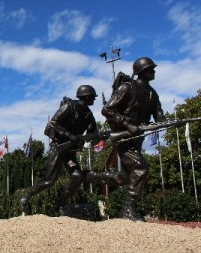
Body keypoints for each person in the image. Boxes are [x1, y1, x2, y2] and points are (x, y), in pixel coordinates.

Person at [101, 57, 165, 221]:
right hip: (124, 137)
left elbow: (159, 114)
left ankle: (94, 176)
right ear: (142, 72)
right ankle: (127, 210)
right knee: (140, 169)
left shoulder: (152, 93)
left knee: (123, 177)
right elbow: (107, 110)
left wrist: (163, 122)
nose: (154, 72)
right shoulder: (127, 87)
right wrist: (127, 124)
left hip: (137, 138)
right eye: (151, 69)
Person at [19, 85, 99, 216]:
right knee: (49, 180)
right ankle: (25, 196)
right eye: (92, 97)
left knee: (77, 176)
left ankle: (60, 203)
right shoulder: (69, 106)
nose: (94, 100)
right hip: (58, 146)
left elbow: (92, 132)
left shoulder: (89, 115)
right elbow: (54, 122)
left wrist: (98, 138)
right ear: (86, 97)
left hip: (70, 150)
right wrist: (70, 136)